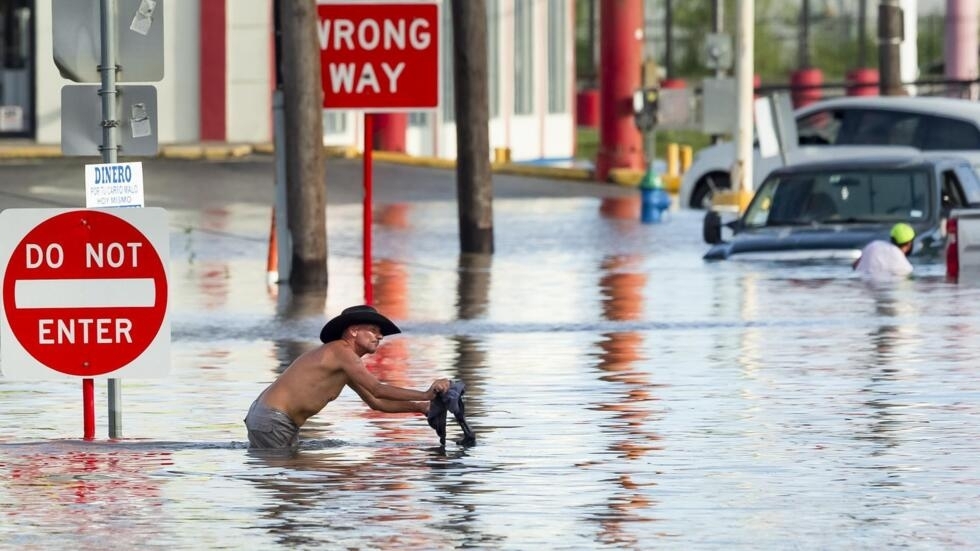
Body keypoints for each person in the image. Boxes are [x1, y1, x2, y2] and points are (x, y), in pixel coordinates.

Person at [244, 305, 451, 449]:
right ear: (353, 331)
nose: (379, 336)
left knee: (296, 477)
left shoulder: (345, 363)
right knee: (293, 481)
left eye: (380, 333)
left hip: (272, 420)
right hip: (273, 420)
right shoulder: (341, 352)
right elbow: (377, 388)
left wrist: (421, 407)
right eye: (372, 330)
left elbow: (376, 402)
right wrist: (427, 394)